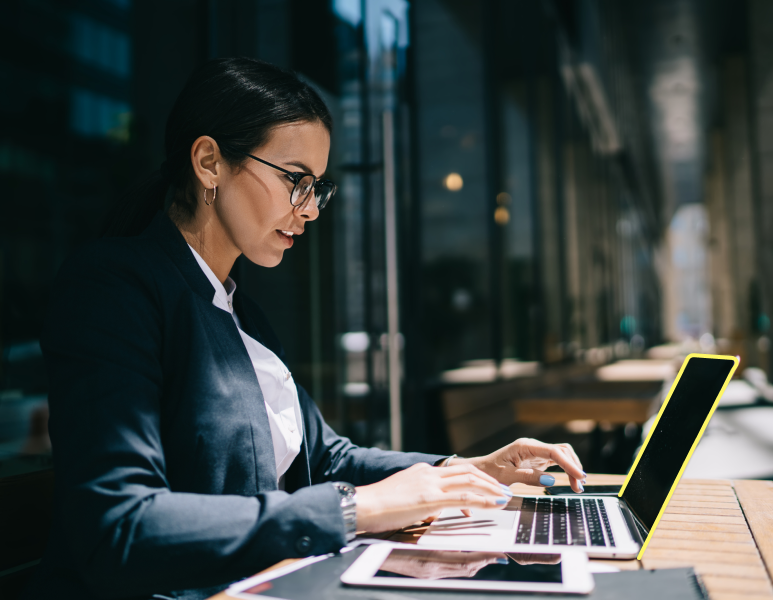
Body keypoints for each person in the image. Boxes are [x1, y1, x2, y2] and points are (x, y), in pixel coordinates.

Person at [24, 58, 585, 600]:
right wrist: (352, 510)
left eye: (316, 186)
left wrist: (463, 471)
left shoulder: (243, 312)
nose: (311, 209)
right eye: (295, 179)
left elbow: (329, 459)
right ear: (209, 163)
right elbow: (118, 524)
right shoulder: (115, 288)